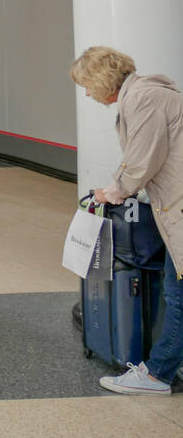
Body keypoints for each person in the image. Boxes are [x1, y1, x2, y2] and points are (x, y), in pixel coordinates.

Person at [71, 47, 183, 395]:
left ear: (103, 80)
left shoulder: (145, 98)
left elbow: (143, 156)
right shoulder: (148, 94)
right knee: (174, 286)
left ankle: (157, 375)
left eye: (87, 85)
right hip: (173, 206)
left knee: (178, 294)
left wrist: (116, 190)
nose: (87, 94)